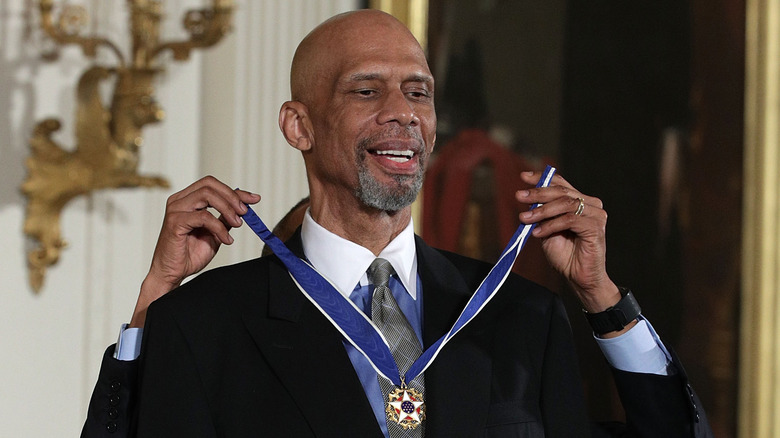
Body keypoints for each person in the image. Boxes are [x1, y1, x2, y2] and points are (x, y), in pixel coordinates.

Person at [82, 9, 712, 438]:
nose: (403, 115)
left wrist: (602, 298)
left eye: (418, 92)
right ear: (298, 125)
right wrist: (152, 308)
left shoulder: (519, 319)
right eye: (366, 91)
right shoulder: (206, 324)